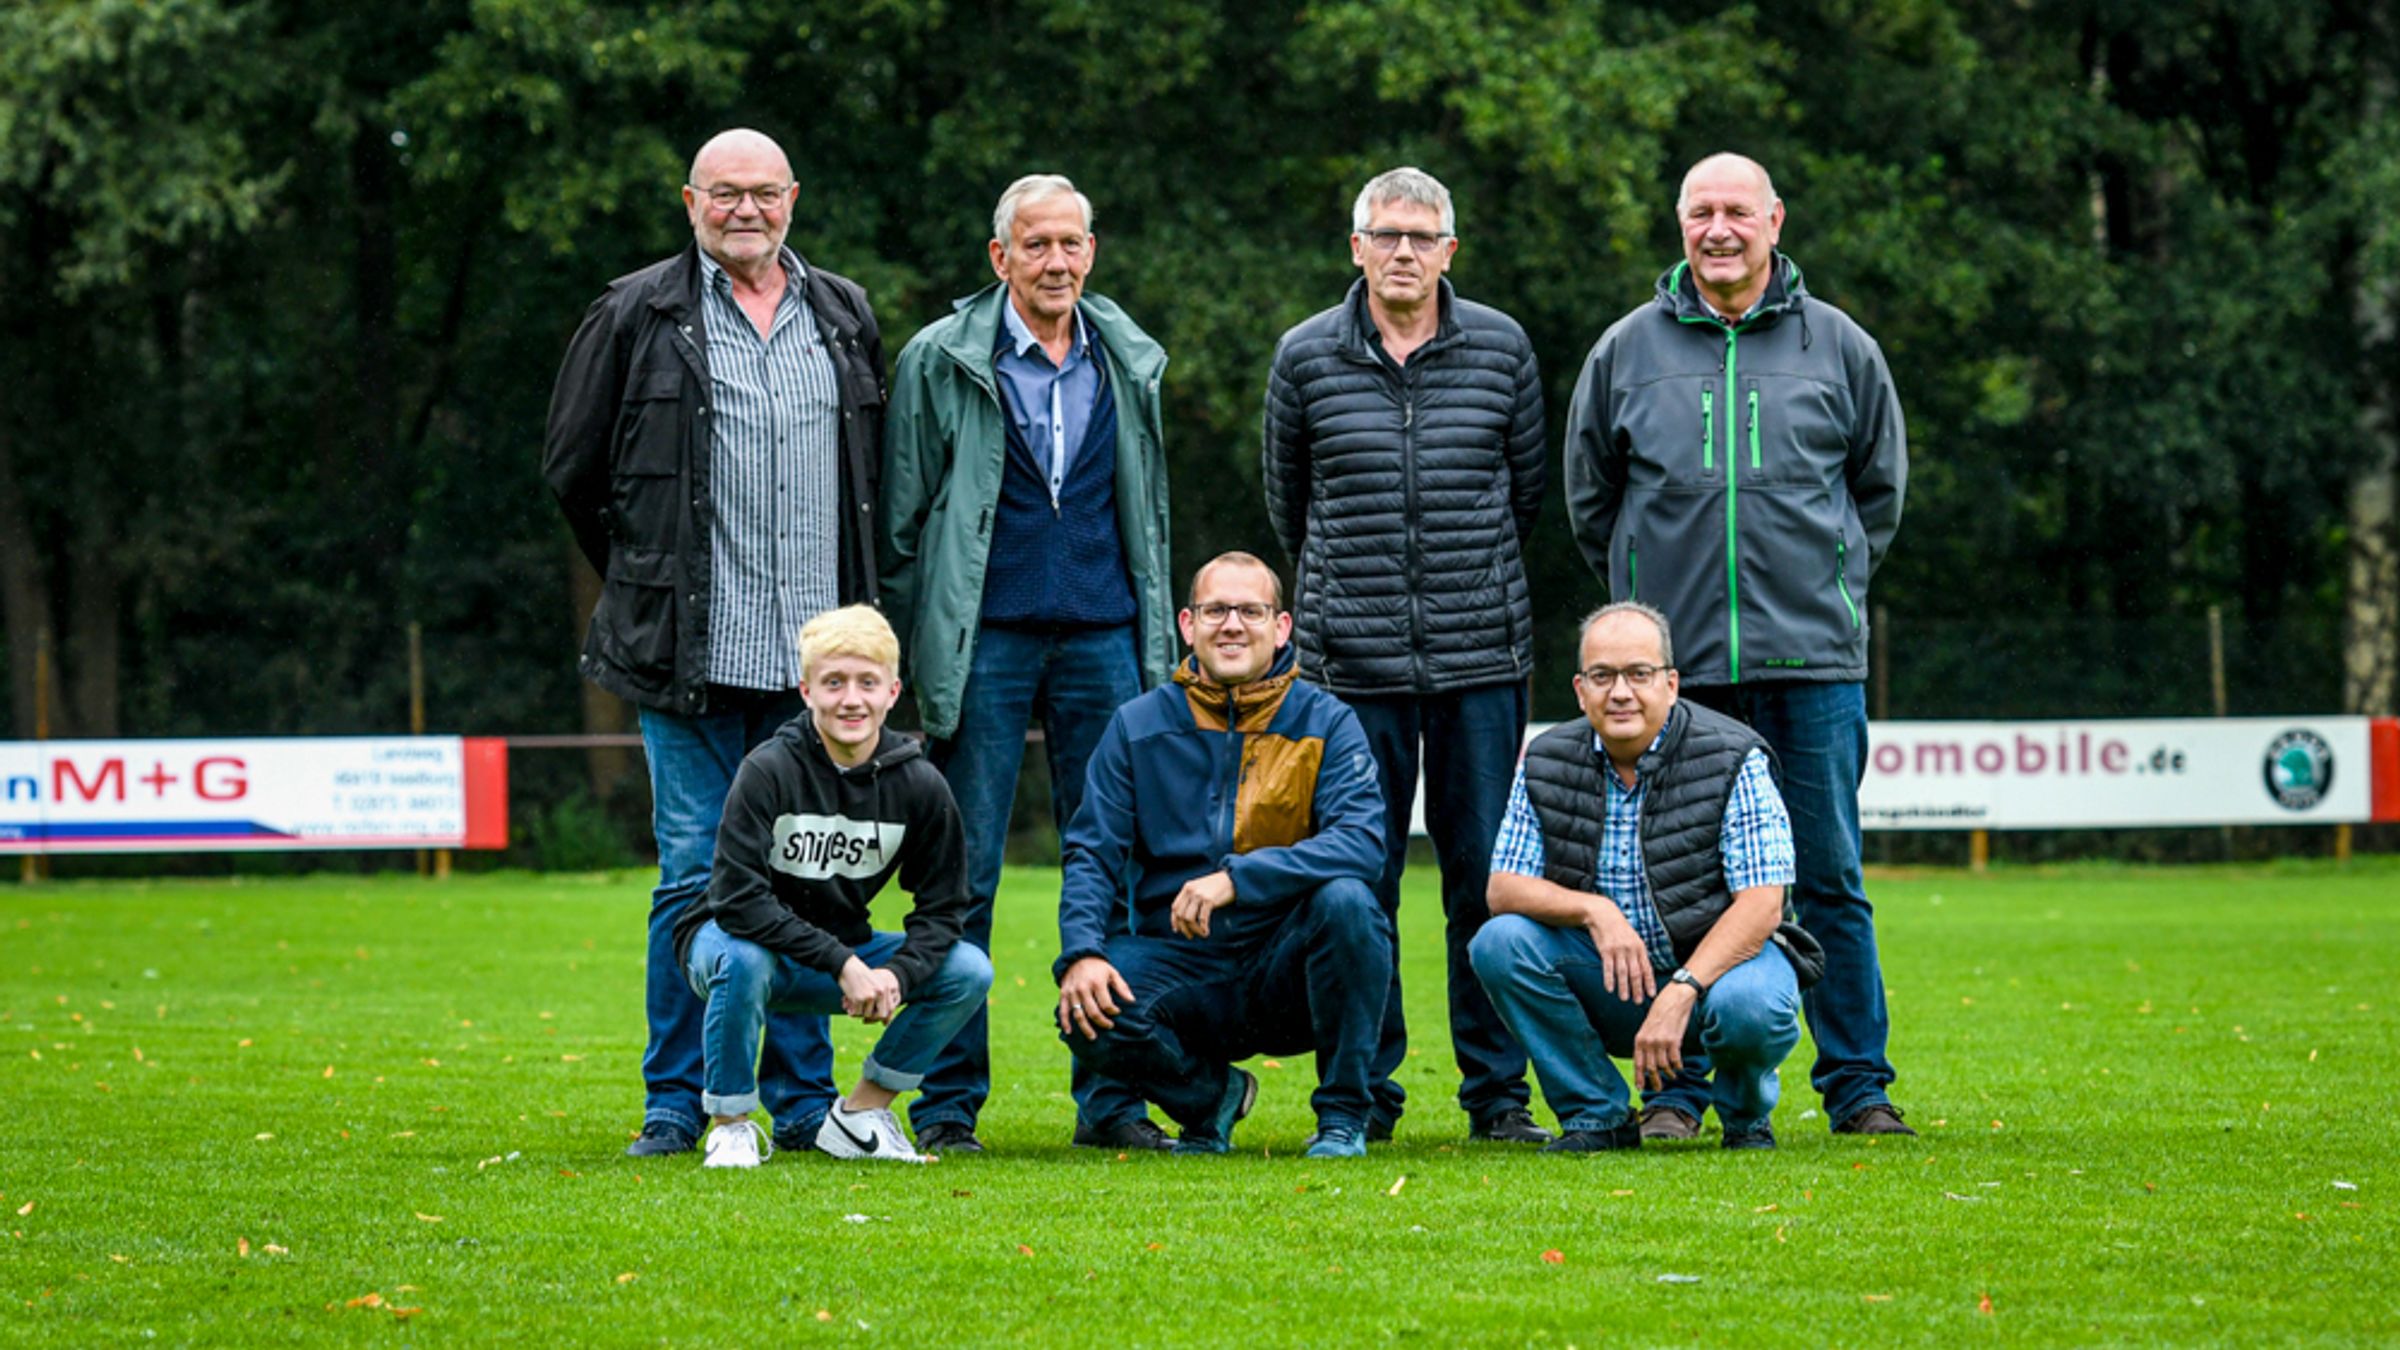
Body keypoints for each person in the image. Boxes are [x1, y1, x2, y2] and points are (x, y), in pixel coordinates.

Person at [543, 128, 887, 1158]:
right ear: (690, 202)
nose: (746, 209)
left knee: (805, 884)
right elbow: (572, 470)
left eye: (764, 192)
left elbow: (871, 479)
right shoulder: (635, 311)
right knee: (694, 879)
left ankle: (797, 1104)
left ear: (793, 198)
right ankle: (676, 1100)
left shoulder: (845, 312)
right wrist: (650, 580)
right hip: (684, 658)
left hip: (813, 676)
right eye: (724, 193)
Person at [1562, 152, 1911, 1140]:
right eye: (1700, 212)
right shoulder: (1626, 350)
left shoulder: (1840, 347)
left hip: (1812, 668)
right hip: (1677, 681)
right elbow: (1593, 503)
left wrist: (1826, 582)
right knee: (1670, 881)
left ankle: (1857, 1087)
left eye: (1737, 213)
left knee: (1829, 875)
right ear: (1680, 225)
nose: (1719, 229)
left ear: (1774, 221)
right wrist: (1645, 611)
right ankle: (1673, 1094)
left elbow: (1877, 496)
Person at [879, 174, 1175, 1155]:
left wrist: (1157, 649)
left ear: (1092, 252)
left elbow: (1151, 518)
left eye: (1072, 244)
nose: (1057, 262)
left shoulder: (1128, 358)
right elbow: (905, 522)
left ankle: (1113, 1101)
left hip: (1105, 636)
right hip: (984, 643)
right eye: (1036, 245)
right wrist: (916, 654)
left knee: (1120, 870)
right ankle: (947, 1107)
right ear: (999, 257)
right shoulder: (939, 359)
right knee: (963, 880)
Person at [1261, 166, 1548, 1144]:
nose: (1404, 251)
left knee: (1484, 882)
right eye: (1385, 234)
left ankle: (1497, 1099)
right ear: (1356, 247)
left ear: (1450, 251)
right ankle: (1364, 1096)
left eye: (1422, 237)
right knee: (1358, 885)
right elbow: (1289, 505)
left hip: (1482, 666)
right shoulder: (1304, 356)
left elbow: (1528, 499)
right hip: (1349, 670)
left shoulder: (1504, 349)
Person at [1054, 554, 1390, 1157]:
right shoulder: (1136, 724)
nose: (1232, 624)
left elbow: (1362, 844)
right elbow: (1091, 851)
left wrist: (1236, 879)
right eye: (1215, 610)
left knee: (1349, 902)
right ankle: (1212, 1100)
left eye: (1250, 611)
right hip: (1182, 969)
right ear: (1188, 624)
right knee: (1087, 1000)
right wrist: (1080, 954)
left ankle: (1343, 1117)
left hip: (1288, 969)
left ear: (1281, 627)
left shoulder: (1328, 722)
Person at [1470, 602, 1821, 1151]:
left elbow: (1762, 904)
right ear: (1580, 689)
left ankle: (1745, 1116)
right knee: (1499, 943)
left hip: (1722, 980)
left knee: (1749, 1009)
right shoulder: (1545, 759)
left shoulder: (1733, 755)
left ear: (1671, 683)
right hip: (1615, 979)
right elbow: (1502, 889)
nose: (1621, 692)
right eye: (1603, 676)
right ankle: (1597, 1115)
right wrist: (1595, 910)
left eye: (1639, 673)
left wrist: (1684, 987)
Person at [674, 605, 990, 1167]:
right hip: (730, 945)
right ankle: (731, 1126)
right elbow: (737, 901)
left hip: (831, 957)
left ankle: (860, 1114)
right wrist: (844, 963)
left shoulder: (920, 784)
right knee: (743, 960)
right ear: (806, 691)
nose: (851, 700)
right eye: (834, 683)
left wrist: (896, 973)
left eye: (868, 683)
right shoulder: (767, 770)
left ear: (893, 691)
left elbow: (943, 909)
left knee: (968, 970)